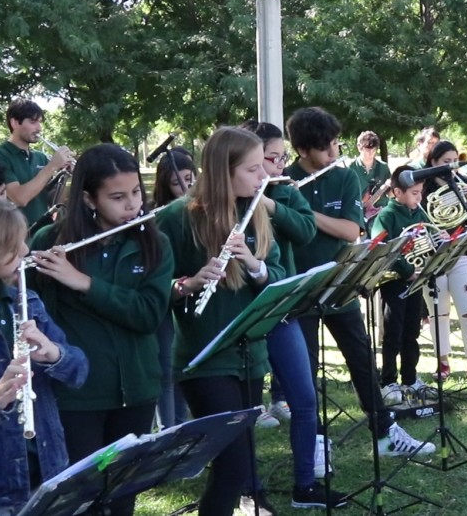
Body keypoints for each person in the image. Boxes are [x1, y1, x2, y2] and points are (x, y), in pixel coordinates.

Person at [158, 126, 346, 513]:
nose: (264, 176)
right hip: (204, 357)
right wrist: (189, 284)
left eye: (264, 166)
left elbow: (277, 274)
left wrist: (254, 265)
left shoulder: (255, 211)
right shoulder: (178, 218)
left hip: (250, 354)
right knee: (233, 465)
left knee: (236, 465)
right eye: (252, 169)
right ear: (222, 172)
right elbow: (155, 289)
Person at [285, 107, 435, 465]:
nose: (333, 152)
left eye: (336, 143)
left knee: (362, 359)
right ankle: (315, 442)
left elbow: (351, 230)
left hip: (342, 282)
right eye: (325, 146)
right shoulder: (285, 180)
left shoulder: (344, 178)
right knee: (305, 370)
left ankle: (384, 431)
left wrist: (302, 213)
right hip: (299, 286)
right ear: (303, 149)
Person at [29, 144, 174, 516]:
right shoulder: (49, 241)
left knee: (122, 497)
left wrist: (84, 283)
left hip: (137, 389)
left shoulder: (155, 243)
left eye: (136, 192)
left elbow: (148, 315)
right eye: (118, 197)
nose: (133, 205)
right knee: (83, 500)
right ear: (88, 198)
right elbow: (36, 316)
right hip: (77, 396)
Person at [0, 196, 88, 515]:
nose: (25, 251)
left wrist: (54, 354)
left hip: (46, 474)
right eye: (13, 245)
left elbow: (80, 371)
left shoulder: (26, 301)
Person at [244, 120, 318, 428]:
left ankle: (279, 399)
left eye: (282, 157)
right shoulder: (231, 199)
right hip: (243, 301)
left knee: (302, 391)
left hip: (281, 297)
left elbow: (306, 230)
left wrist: (270, 205)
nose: (280, 165)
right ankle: (253, 407)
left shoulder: (285, 192)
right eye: (273, 158)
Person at [420, 141, 467, 381]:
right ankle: (442, 361)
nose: (451, 166)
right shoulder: (422, 188)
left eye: (455, 161)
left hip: (462, 253)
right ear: (434, 162)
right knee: (438, 312)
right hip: (433, 257)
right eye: (446, 162)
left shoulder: (464, 184)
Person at [371, 165, 429, 401]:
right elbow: (383, 248)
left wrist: (439, 241)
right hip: (394, 282)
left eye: (420, 192)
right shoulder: (387, 215)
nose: (419, 197)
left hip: (415, 281)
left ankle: (410, 379)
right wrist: (407, 270)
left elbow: (428, 237)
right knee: (393, 332)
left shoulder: (419, 214)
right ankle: (388, 381)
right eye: (414, 193)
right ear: (397, 192)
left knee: (412, 331)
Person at [151, 147, 197, 431]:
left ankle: (182, 426)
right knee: (167, 370)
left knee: (183, 368)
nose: (185, 187)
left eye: (190, 179)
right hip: (167, 298)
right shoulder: (160, 216)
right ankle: (169, 431)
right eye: (176, 182)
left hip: (192, 298)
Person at [0, 99, 73, 226]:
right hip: (15, 233)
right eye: (33, 122)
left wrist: (66, 174)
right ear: (14, 123)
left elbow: (55, 202)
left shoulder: (41, 157)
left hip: (42, 232)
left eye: (40, 122)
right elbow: (20, 198)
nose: (39, 128)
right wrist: (52, 166)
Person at [351, 130, 391, 224]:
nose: (371, 154)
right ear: (359, 147)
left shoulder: (383, 167)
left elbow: (390, 193)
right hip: (358, 216)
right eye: (368, 150)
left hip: (380, 215)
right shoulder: (351, 168)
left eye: (374, 150)